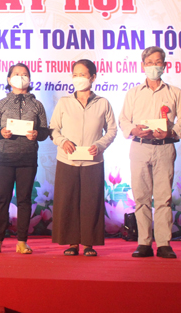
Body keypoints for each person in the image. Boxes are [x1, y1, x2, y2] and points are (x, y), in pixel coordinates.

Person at [119, 46, 181, 258]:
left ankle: (164, 243)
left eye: (157, 62)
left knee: (163, 198)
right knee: (141, 197)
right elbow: (124, 119)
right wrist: (133, 129)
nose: (153, 66)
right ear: (142, 66)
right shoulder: (133, 93)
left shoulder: (174, 92)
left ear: (165, 66)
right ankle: (144, 242)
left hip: (165, 148)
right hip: (140, 146)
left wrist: (171, 133)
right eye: (149, 62)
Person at [50, 59, 117, 256]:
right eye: (75, 75)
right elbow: (53, 129)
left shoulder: (103, 103)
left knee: (91, 201)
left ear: (93, 77)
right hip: (67, 159)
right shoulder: (64, 102)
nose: (78, 78)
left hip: (92, 160)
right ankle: (72, 243)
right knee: (68, 200)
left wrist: (100, 145)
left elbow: (112, 130)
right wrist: (62, 142)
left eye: (83, 75)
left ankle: (89, 243)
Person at [0, 63, 50, 254]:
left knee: (24, 200)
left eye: (24, 74)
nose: (20, 77)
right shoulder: (2, 104)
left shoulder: (37, 105)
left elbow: (45, 131)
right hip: (5, 157)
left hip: (28, 158)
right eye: (16, 74)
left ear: (30, 80)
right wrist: (1, 132)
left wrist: (36, 134)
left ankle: (22, 241)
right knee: (2, 199)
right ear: (9, 79)